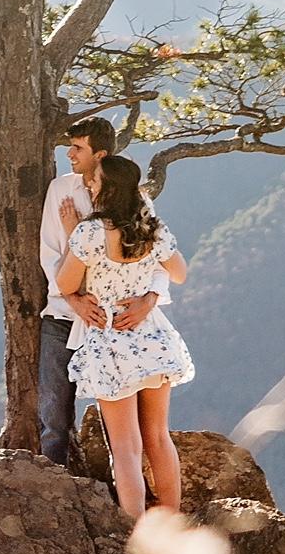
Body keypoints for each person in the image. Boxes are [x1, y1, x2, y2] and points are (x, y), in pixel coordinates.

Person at [56, 153, 193, 518]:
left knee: (126, 449)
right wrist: (148, 294)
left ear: (108, 188)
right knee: (159, 438)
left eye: (96, 180)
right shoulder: (151, 227)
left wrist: (73, 236)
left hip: (111, 340)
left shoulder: (90, 232)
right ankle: (171, 521)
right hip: (151, 337)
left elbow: (66, 283)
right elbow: (179, 273)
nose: (90, 184)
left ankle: (135, 534)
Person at [37, 118, 170, 467]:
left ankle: (128, 498)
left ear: (101, 154)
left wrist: (150, 300)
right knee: (54, 419)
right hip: (65, 317)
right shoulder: (60, 191)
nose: (69, 153)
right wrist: (73, 300)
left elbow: (158, 261)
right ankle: (55, 492)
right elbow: (50, 255)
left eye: (77, 147)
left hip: (119, 325)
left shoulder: (136, 200)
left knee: (127, 427)